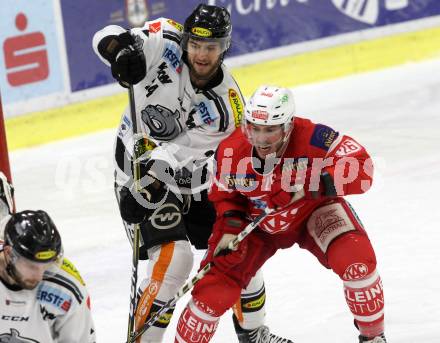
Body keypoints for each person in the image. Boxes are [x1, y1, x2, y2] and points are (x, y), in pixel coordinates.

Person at [93, 4, 291, 343]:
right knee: (174, 260)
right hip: (134, 169)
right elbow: (105, 37)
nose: (201, 54)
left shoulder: (227, 108)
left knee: (241, 246)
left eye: (211, 47)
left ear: (224, 47)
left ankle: (253, 333)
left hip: (190, 178)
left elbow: (176, 157)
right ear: (185, 40)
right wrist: (118, 51)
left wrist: (148, 185)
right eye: (195, 45)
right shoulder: (164, 42)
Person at [174, 85, 387, 343]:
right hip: (255, 224)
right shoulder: (230, 151)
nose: (261, 139)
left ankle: (374, 338)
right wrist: (230, 227)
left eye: (270, 130)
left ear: (287, 126)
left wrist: (314, 183)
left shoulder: (315, 136)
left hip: (312, 212)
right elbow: (224, 197)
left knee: (357, 263)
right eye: (255, 128)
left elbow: (362, 168)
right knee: (209, 297)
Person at [0, 173, 96, 342]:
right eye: (31, 266)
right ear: (9, 254)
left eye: (45, 266)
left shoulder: (66, 291)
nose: (39, 276)